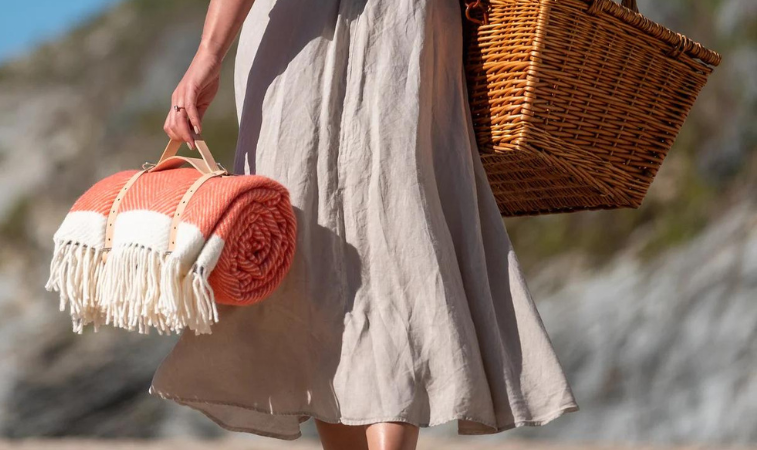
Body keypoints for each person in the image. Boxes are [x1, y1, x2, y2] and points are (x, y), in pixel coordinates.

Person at [154, 0, 580, 448]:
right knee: (338, 247)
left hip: (341, 30)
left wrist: (209, 52)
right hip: (386, 26)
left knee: (363, 239)